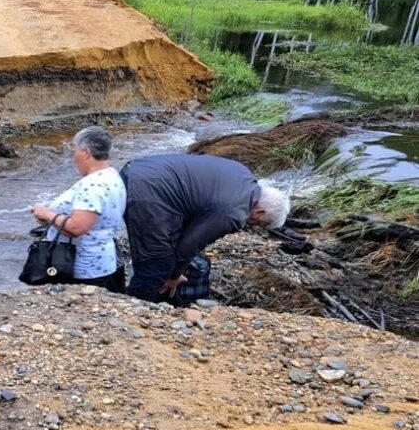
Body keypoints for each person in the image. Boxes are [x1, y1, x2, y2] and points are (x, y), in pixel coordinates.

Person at [120, 153, 290, 303]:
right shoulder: (233, 214)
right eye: (260, 223)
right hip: (147, 190)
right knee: (158, 262)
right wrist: (174, 276)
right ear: (260, 211)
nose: (253, 225)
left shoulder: (243, 175)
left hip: (137, 169)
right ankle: (136, 307)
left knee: (161, 255)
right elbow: (189, 244)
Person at [30, 127, 127, 292]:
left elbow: (77, 228)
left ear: (86, 152)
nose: (73, 156)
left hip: (84, 267)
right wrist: (49, 218)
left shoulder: (92, 185)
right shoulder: (111, 175)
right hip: (104, 260)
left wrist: (47, 214)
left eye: (74, 150)